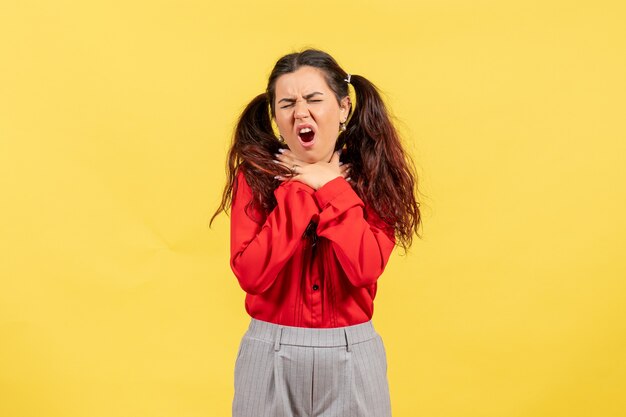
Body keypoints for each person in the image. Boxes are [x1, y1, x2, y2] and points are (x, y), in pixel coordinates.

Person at [211, 48, 422, 417]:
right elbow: (251, 274)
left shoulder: (374, 177)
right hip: (269, 350)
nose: (300, 112)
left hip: (351, 352)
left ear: (343, 108)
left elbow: (365, 267)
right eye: (287, 103)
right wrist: (302, 188)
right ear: (276, 117)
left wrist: (331, 187)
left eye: (314, 99)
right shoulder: (256, 176)